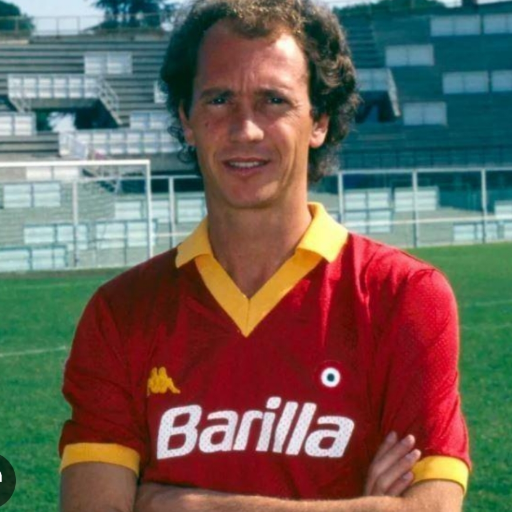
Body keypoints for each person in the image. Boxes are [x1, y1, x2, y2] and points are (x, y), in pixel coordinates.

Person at [59, 0, 470, 511]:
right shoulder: (120, 313)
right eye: (219, 100)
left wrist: (181, 505)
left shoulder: (404, 296)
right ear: (186, 119)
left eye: (274, 100)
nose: (245, 129)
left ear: (319, 120)